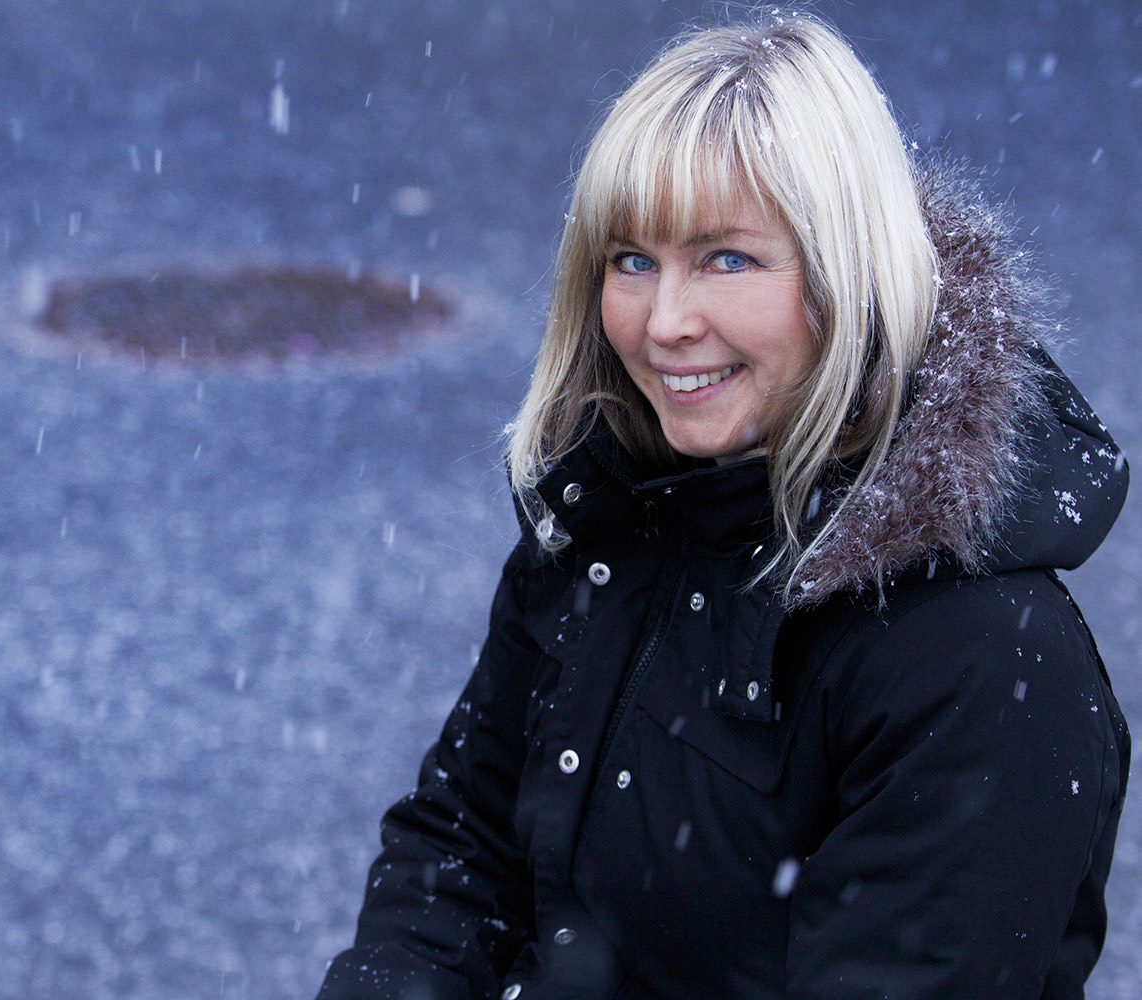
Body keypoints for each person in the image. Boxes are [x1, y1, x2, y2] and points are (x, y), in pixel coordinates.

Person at [315, 11, 1130, 1000]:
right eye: (632, 259)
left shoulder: (984, 662)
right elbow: (462, 845)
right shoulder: (617, 509)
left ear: (846, 276)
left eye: (727, 260)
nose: (664, 323)